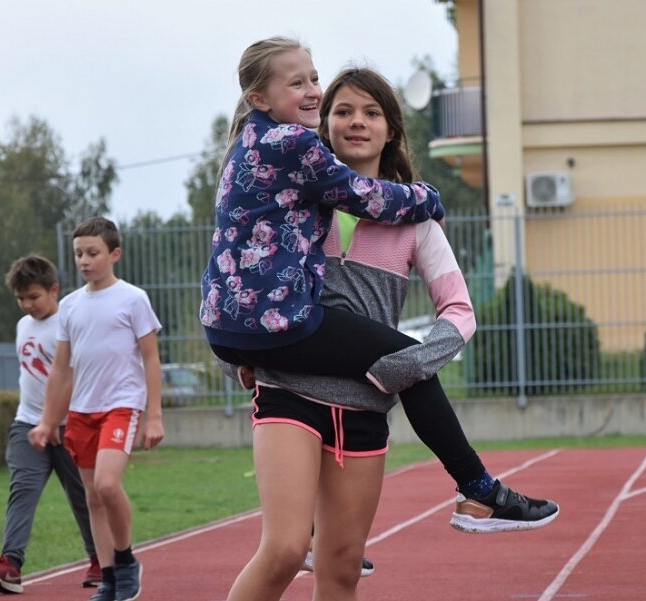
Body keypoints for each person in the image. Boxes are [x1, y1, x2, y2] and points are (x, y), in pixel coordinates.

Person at [224, 66, 560, 599]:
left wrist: (414, 365)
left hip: (366, 411)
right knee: (286, 549)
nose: (357, 122)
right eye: (343, 111)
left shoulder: (416, 219)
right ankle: (478, 488)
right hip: (289, 395)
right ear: (323, 125)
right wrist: (245, 354)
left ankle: (476, 488)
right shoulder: (295, 200)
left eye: (371, 113)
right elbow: (245, 282)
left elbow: (459, 309)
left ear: (391, 130)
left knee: (341, 570)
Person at [200, 36, 448, 389]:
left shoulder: (247, 141)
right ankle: (463, 450)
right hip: (275, 324)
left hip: (221, 327)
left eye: (314, 79)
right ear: (259, 99)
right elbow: (366, 197)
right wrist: (428, 198)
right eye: (296, 83)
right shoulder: (294, 143)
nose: (313, 90)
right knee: (407, 360)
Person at [28, 216, 164, 601]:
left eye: (93, 253)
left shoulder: (133, 299)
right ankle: (108, 579)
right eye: (78, 254)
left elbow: (151, 359)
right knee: (92, 497)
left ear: (114, 254)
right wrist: (46, 420)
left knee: (107, 484)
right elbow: (60, 370)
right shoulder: (69, 306)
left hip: (121, 405)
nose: (84, 261)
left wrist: (154, 415)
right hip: (82, 412)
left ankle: (125, 561)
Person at [0, 255, 101, 594]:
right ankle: (10, 564)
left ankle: (101, 560)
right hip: (27, 425)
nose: (27, 305)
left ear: (53, 289)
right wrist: (40, 422)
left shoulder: (70, 324)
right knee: (22, 491)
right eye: (21, 299)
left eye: (33, 297)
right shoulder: (22, 326)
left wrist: (57, 420)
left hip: (70, 425)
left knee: (83, 495)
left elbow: (73, 378)